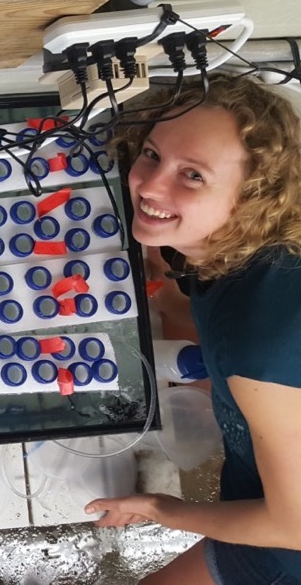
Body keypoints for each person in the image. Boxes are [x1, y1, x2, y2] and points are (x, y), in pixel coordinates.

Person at [83, 73, 301, 584]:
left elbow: (292, 524)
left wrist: (163, 508)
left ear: (252, 196)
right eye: (153, 154)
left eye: (194, 175)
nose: (149, 185)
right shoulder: (252, 253)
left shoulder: (256, 345)